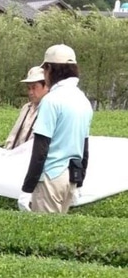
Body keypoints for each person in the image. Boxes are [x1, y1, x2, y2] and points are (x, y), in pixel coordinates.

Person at [18, 44, 93, 213]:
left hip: (50, 179)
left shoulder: (51, 100)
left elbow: (41, 149)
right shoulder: (83, 100)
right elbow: (85, 147)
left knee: (43, 235)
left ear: (49, 69)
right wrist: (79, 182)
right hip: (71, 178)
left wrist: (27, 189)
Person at [4, 66, 49, 150]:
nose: (30, 92)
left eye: (34, 87)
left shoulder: (49, 110)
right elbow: (13, 135)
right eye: (29, 88)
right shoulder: (26, 108)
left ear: (46, 86)